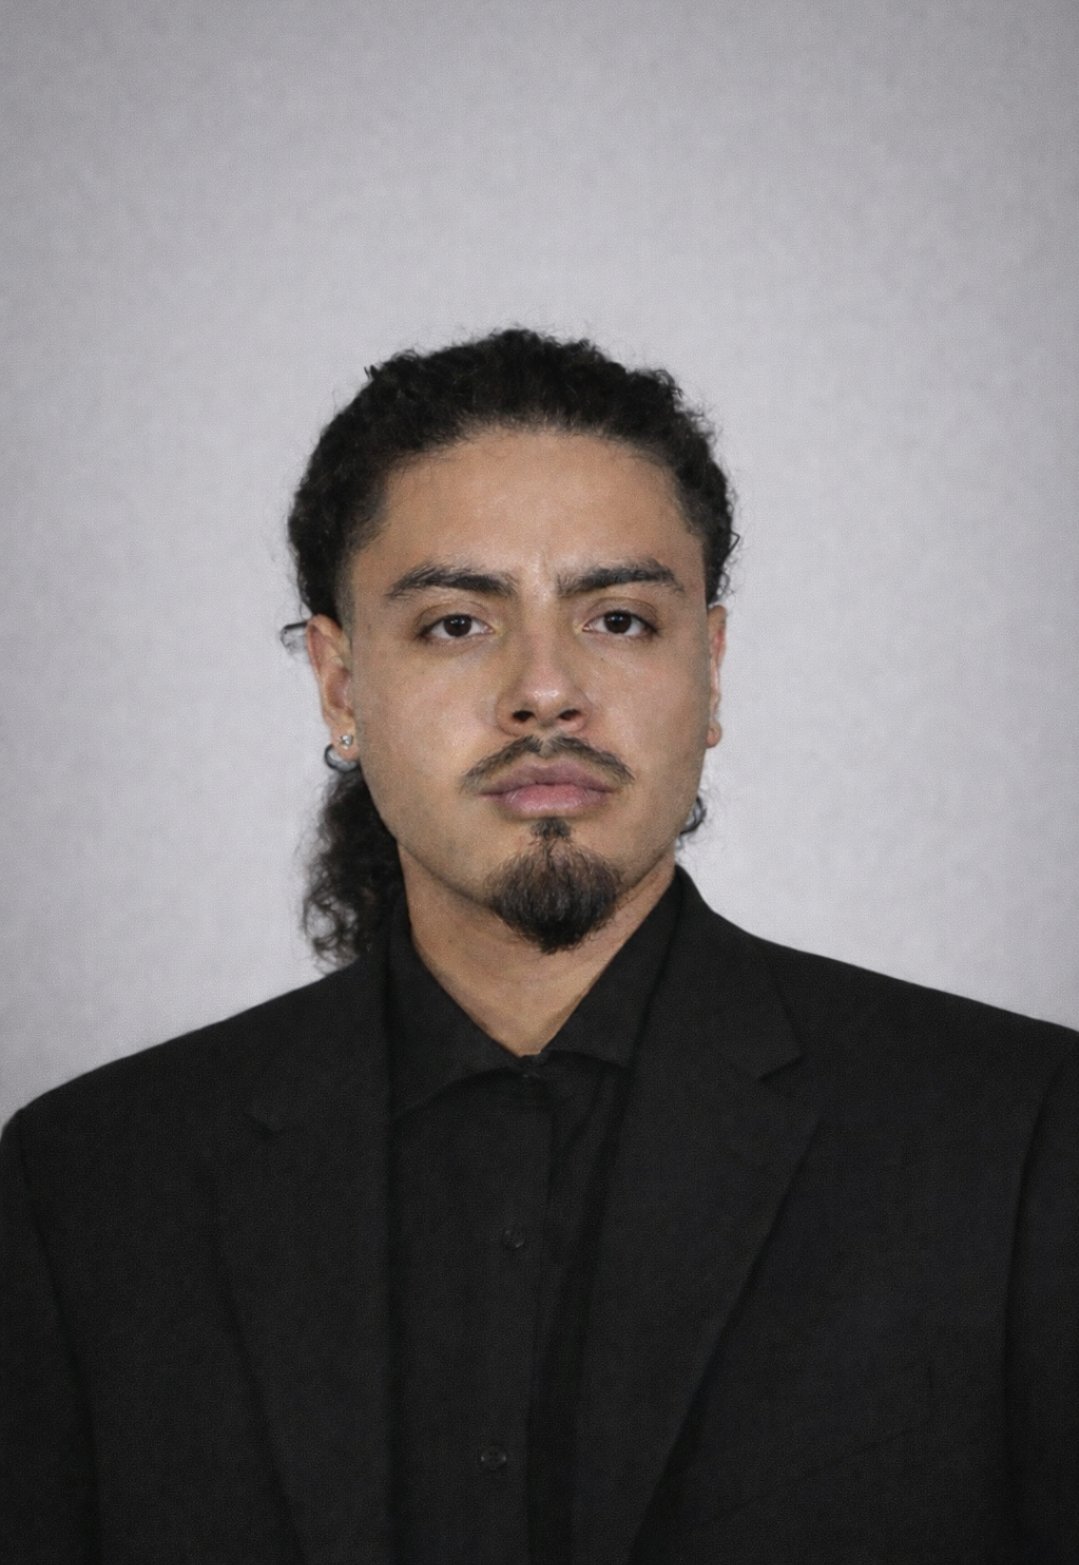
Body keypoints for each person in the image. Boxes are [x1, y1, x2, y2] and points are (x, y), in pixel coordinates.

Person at [1, 328, 1075, 1565]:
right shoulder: (87, 1187)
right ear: (340, 686)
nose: (545, 690)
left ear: (709, 672)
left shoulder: (1018, 1143)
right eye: (458, 623)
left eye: (617, 617)